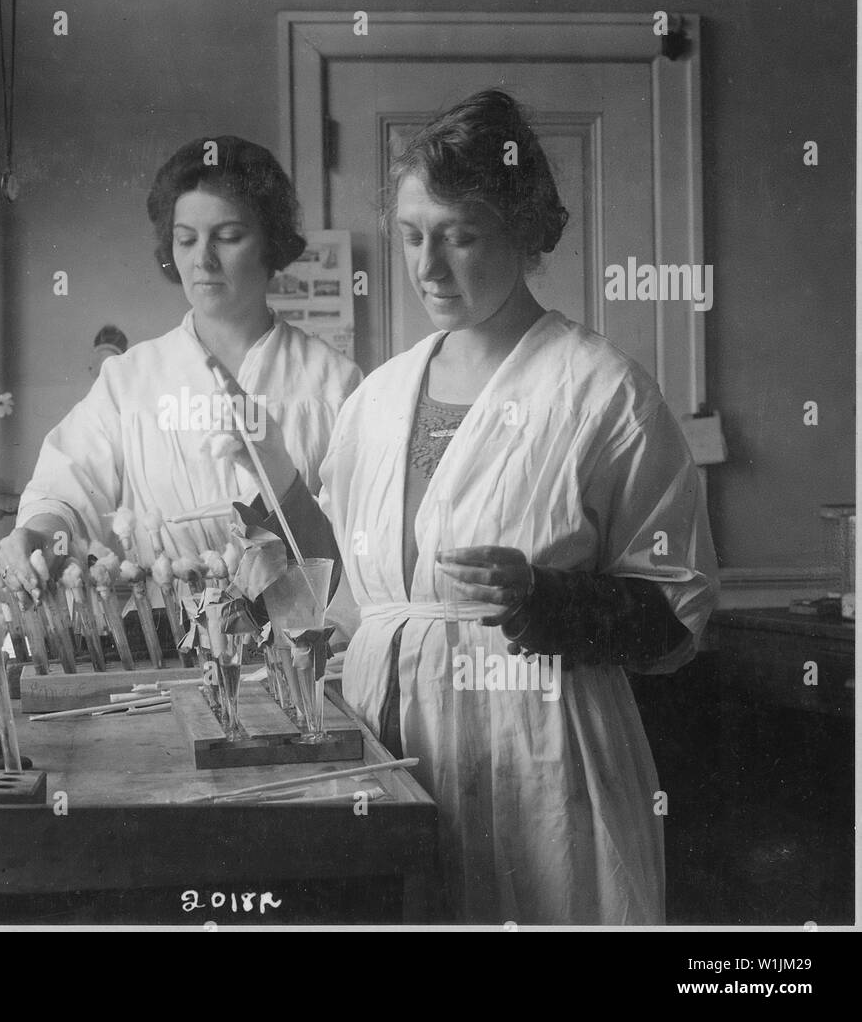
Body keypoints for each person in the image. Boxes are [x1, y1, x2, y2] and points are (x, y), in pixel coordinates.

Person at [272, 89, 716, 923]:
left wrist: (547, 599)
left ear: (524, 230)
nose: (428, 266)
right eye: (411, 236)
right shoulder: (376, 399)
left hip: (541, 758)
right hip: (388, 749)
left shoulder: (601, 392)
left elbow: (679, 616)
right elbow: (351, 599)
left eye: (460, 236)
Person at [0, 135, 362, 602]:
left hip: (299, 646)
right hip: (164, 644)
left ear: (271, 242)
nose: (202, 259)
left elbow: (353, 542)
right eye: (186, 239)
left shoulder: (333, 383)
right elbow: (67, 490)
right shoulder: (129, 381)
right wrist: (40, 534)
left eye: (228, 237)